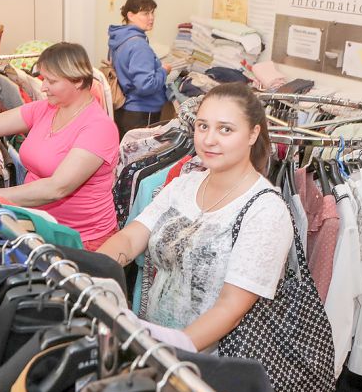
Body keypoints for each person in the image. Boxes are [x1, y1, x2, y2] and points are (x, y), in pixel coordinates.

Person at [98, 83, 293, 351]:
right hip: (154, 343)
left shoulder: (266, 211)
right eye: (203, 126)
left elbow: (231, 307)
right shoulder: (183, 184)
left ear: (252, 134)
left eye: (225, 129)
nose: (209, 139)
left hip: (205, 360)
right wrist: (92, 273)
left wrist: (172, 351)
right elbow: (131, 238)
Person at [0, 42, 119, 250]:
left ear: (78, 81)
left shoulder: (99, 128)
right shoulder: (46, 108)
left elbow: (58, 187)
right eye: (43, 78)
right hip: (38, 226)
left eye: (51, 81)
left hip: (83, 239)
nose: (43, 87)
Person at [108, 0, 171, 138]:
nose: (151, 17)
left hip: (124, 109)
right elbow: (145, 86)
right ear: (130, 15)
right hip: (142, 111)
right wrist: (163, 71)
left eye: (152, 13)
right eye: (145, 13)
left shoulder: (119, 39)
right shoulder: (139, 45)